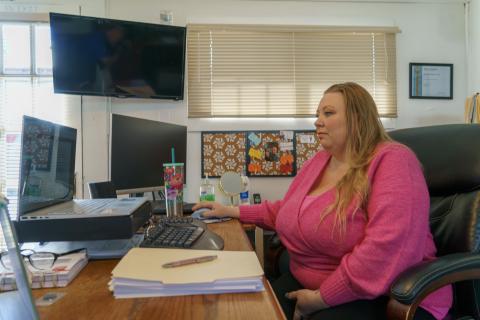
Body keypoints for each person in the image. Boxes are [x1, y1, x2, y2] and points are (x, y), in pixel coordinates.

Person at [193, 82, 452, 320]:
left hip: (384, 295)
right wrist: (231, 209)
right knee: (240, 310)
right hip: (312, 285)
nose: (317, 121)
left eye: (328, 113)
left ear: (358, 118)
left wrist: (321, 298)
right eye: (318, 114)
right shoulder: (320, 161)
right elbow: (289, 211)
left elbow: (387, 248)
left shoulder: (393, 160)